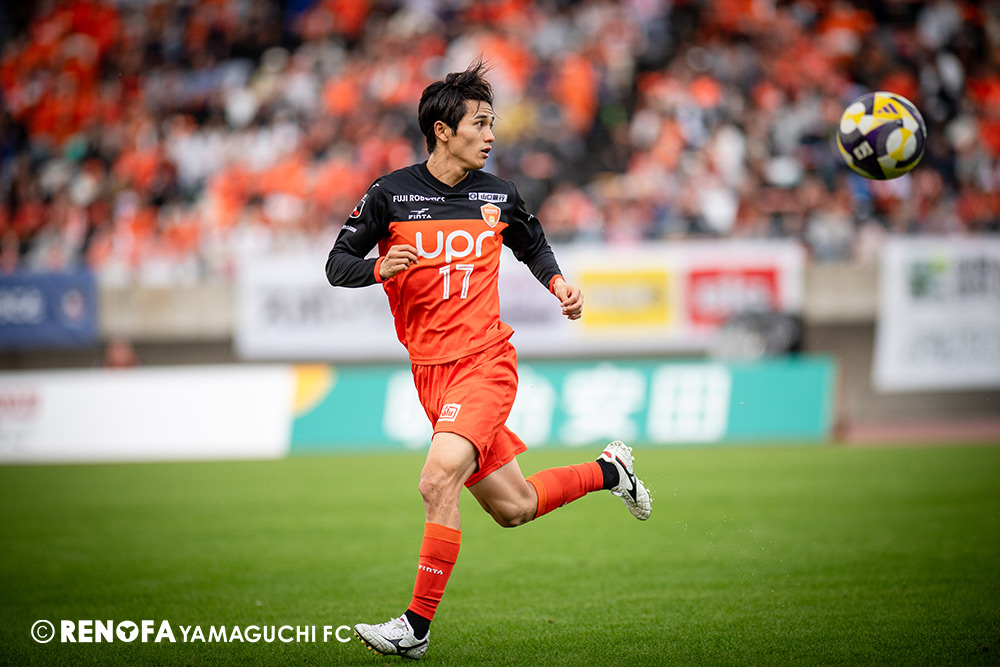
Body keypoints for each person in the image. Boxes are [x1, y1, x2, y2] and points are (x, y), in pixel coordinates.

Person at [325, 61, 651, 660]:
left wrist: (558, 284)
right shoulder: (391, 194)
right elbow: (336, 265)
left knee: (436, 480)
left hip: (484, 363)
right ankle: (611, 471)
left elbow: (532, 242)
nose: (491, 134)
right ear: (442, 131)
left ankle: (414, 628)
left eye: (492, 123)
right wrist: (377, 267)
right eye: (480, 123)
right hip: (430, 373)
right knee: (514, 507)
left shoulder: (497, 194)